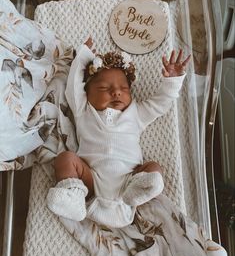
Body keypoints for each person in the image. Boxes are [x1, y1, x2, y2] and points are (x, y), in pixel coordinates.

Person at [46, 38, 191, 228]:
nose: (117, 93)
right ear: (88, 93)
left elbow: (160, 104)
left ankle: (140, 189)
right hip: (91, 182)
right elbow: (73, 88)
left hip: (128, 184)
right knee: (65, 159)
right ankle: (74, 198)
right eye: (105, 89)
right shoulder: (84, 111)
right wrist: (83, 57)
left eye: (124, 89)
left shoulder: (136, 114)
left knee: (154, 169)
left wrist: (172, 80)